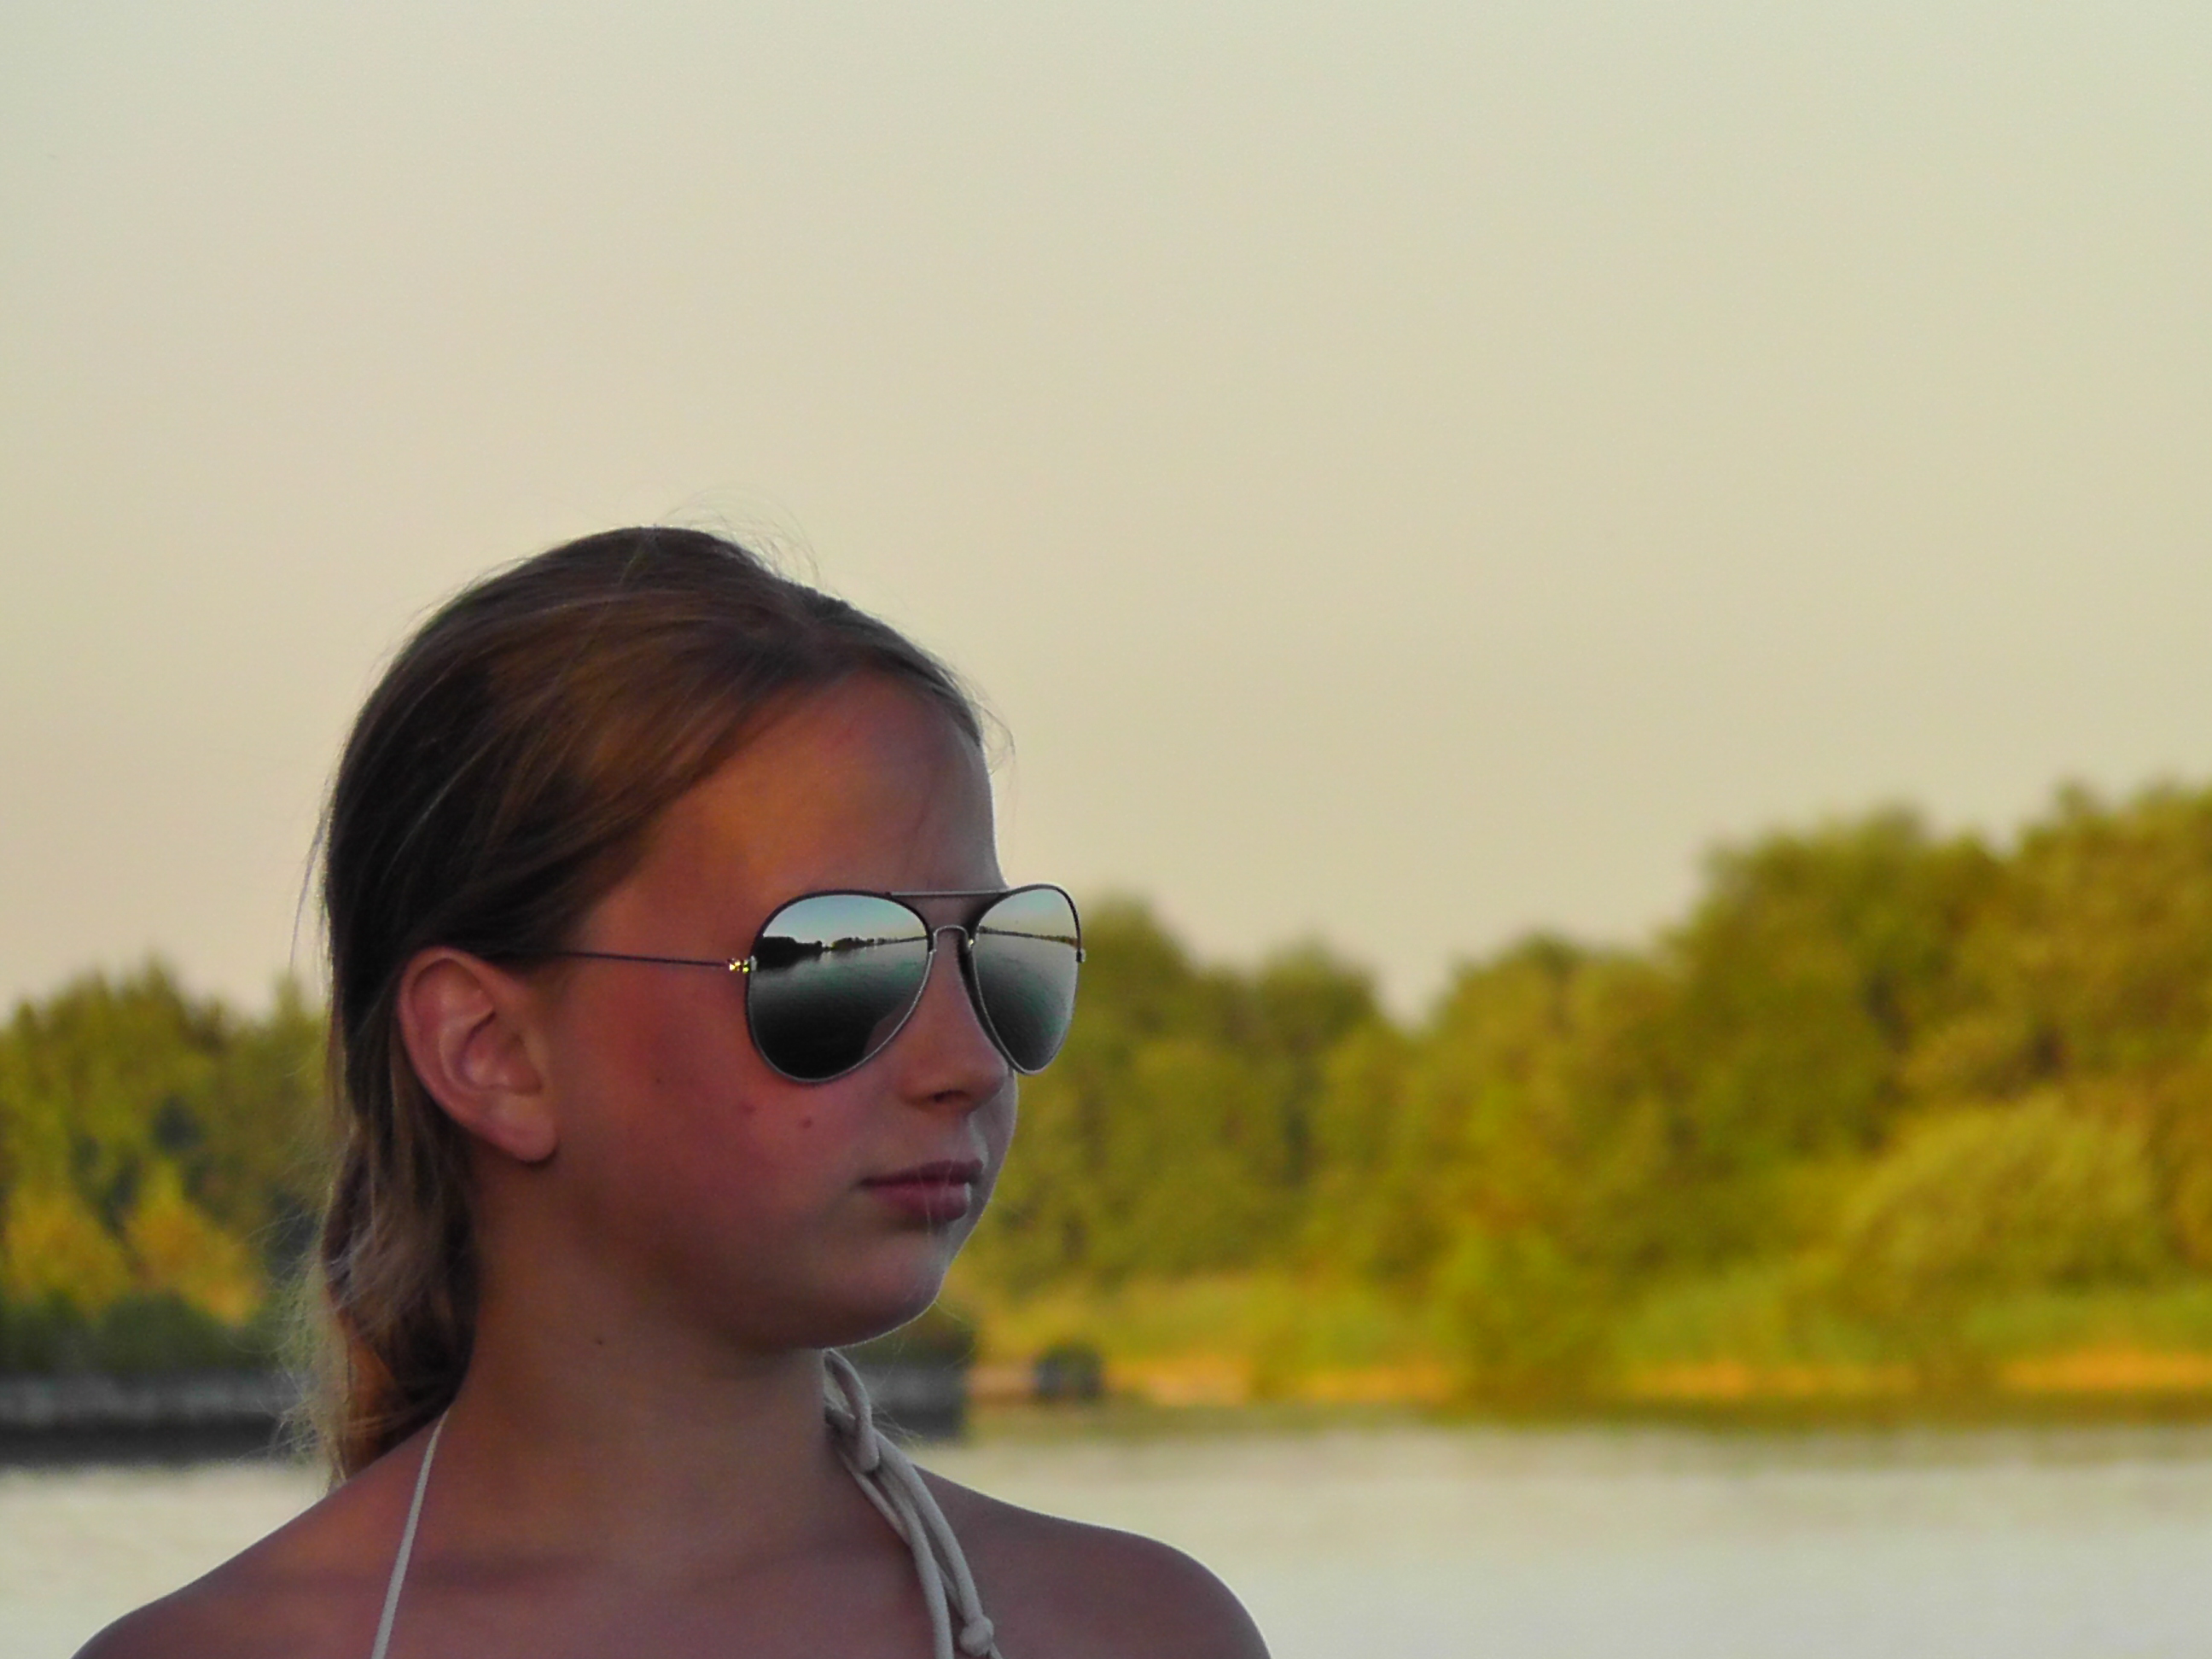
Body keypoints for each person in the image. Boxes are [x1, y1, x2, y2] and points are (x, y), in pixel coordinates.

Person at [81, 528, 1270, 1659]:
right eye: (840, 963)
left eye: (1003, 956)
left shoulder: (1135, 1634)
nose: (969, 1062)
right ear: (492, 1052)